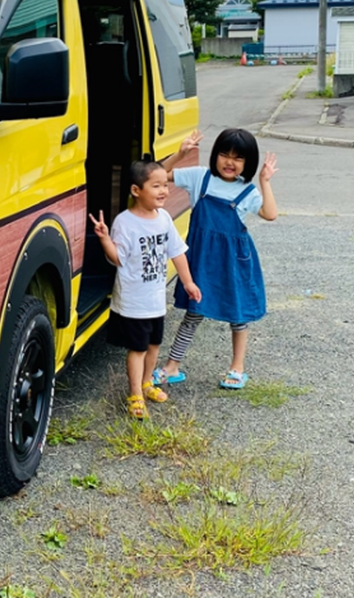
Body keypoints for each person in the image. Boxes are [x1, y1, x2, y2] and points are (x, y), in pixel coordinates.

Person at [155, 128, 278, 390]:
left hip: (235, 262)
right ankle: (171, 367)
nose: (229, 162)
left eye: (238, 158)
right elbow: (157, 176)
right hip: (201, 259)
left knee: (238, 314)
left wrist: (265, 182)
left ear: (248, 163)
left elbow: (270, 214)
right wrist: (180, 154)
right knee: (194, 312)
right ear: (215, 155)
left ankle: (237, 368)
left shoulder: (248, 190)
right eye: (224, 154)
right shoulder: (201, 177)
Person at [91, 160, 202, 419]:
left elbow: (177, 252)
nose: (164, 190)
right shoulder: (125, 222)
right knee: (138, 349)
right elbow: (118, 258)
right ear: (136, 190)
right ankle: (135, 395)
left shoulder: (163, 218)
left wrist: (188, 282)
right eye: (156, 186)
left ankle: (146, 383)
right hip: (133, 300)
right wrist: (106, 239)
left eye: (165, 185)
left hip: (155, 300)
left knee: (153, 346)